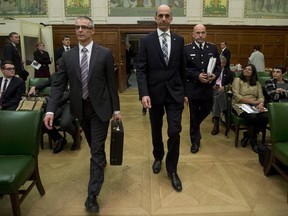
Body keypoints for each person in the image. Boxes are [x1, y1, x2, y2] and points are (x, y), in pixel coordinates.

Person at [43, 16, 121, 213]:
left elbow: (111, 85)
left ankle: (92, 195)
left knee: (95, 149)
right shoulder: (67, 57)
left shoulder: (104, 53)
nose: (79, 30)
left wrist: (116, 110)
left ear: (92, 30)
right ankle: (100, 161)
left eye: (84, 27)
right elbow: (58, 85)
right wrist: (51, 109)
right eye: (77, 27)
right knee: (94, 144)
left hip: (100, 109)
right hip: (79, 109)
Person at [136, 4, 186, 192]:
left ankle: (172, 169)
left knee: (174, 131)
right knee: (156, 129)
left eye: (167, 16)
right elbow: (140, 69)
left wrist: (185, 93)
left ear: (171, 18)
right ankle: (158, 156)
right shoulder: (146, 41)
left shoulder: (179, 40)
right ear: (155, 18)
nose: (164, 18)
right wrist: (144, 93)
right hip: (154, 94)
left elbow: (182, 68)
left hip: (175, 94)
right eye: (160, 16)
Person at [184, 24, 221, 154]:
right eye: (198, 33)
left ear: (206, 34)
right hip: (193, 88)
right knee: (193, 115)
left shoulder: (212, 48)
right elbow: (183, 68)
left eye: (203, 32)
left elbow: (218, 67)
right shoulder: (187, 49)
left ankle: (195, 126)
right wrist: (197, 75)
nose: (200, 35)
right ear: (193, 34)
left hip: (208, 88)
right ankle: (195, 141)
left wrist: (215, 76)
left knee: (206, 110)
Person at [29, 58, 79, 153]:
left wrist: (54, 101)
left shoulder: (74, 76)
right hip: (56, 104)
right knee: (43, 121)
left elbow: (70, 94)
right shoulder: (55, 76)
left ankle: (76, 137)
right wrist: (34, 87)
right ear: (57, 67)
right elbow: (45, 83)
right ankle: (59, 139)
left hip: (68, 104)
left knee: (65, 124)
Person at [232, 64, 268, 153]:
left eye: (249, 69)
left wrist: (261, 104)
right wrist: (254, 102)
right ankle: (253, 141)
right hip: (240, 105)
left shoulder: (257, 83)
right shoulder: (238, 80)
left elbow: (261, 97)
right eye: (245, 69)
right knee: (253, 117)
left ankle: (248, 135)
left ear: (253, 72)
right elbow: (237, 96)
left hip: (254, 106)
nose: (246, 70)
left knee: (265, 116)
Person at [211, 55, 233, 135]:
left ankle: (216, 124)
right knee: (217, 95)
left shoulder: (229, 72)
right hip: (213, 91)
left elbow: (231, 84)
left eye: (220, 63)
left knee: (218, 96)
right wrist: (212, 86)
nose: (218, 65)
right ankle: (225, 111)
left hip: (224, 92)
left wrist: (224, 87)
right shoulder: (211, 72)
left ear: (224, 64)